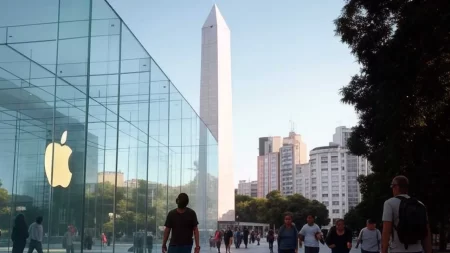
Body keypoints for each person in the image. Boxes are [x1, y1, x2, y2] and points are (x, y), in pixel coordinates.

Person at [381, 176, 431, 253]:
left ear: (396, 187)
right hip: (417, 250)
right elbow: (426, 232)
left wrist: (383, 251)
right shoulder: (420, 204)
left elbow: (386, 231)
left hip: (397, 250)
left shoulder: (389, 203)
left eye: (392, 186)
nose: (392, 189)